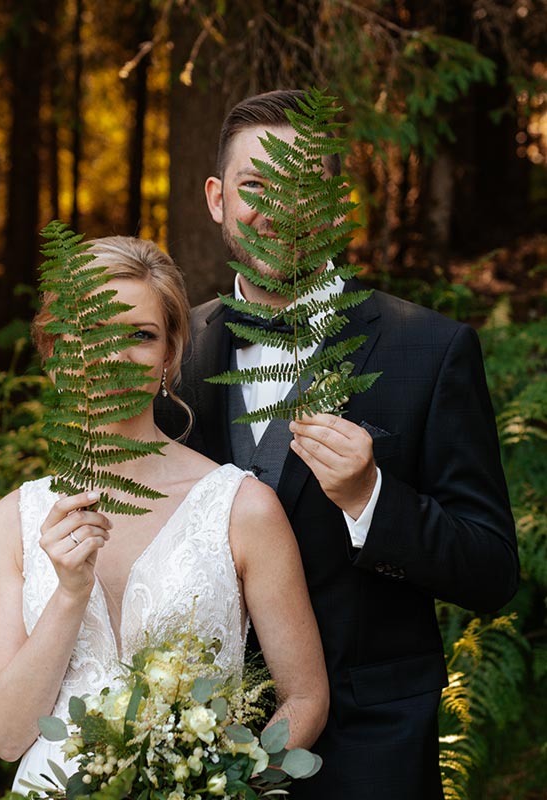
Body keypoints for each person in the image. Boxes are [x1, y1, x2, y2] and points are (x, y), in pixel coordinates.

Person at [155, 90, 519, 799]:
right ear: (216, 199)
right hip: (190, 754)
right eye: (254, 186)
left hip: (370, 756)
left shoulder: (429, 351)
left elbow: (492, 570)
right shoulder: (171, 354)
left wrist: (372, 501)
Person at [0, 235, 329, 792]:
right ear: (57, 353)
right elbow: (3, 735)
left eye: (140, 336)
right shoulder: (13, 519)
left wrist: (226, 783)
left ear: (169, 356)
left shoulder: (241, 507)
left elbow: (305, 696)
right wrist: (70, 593)